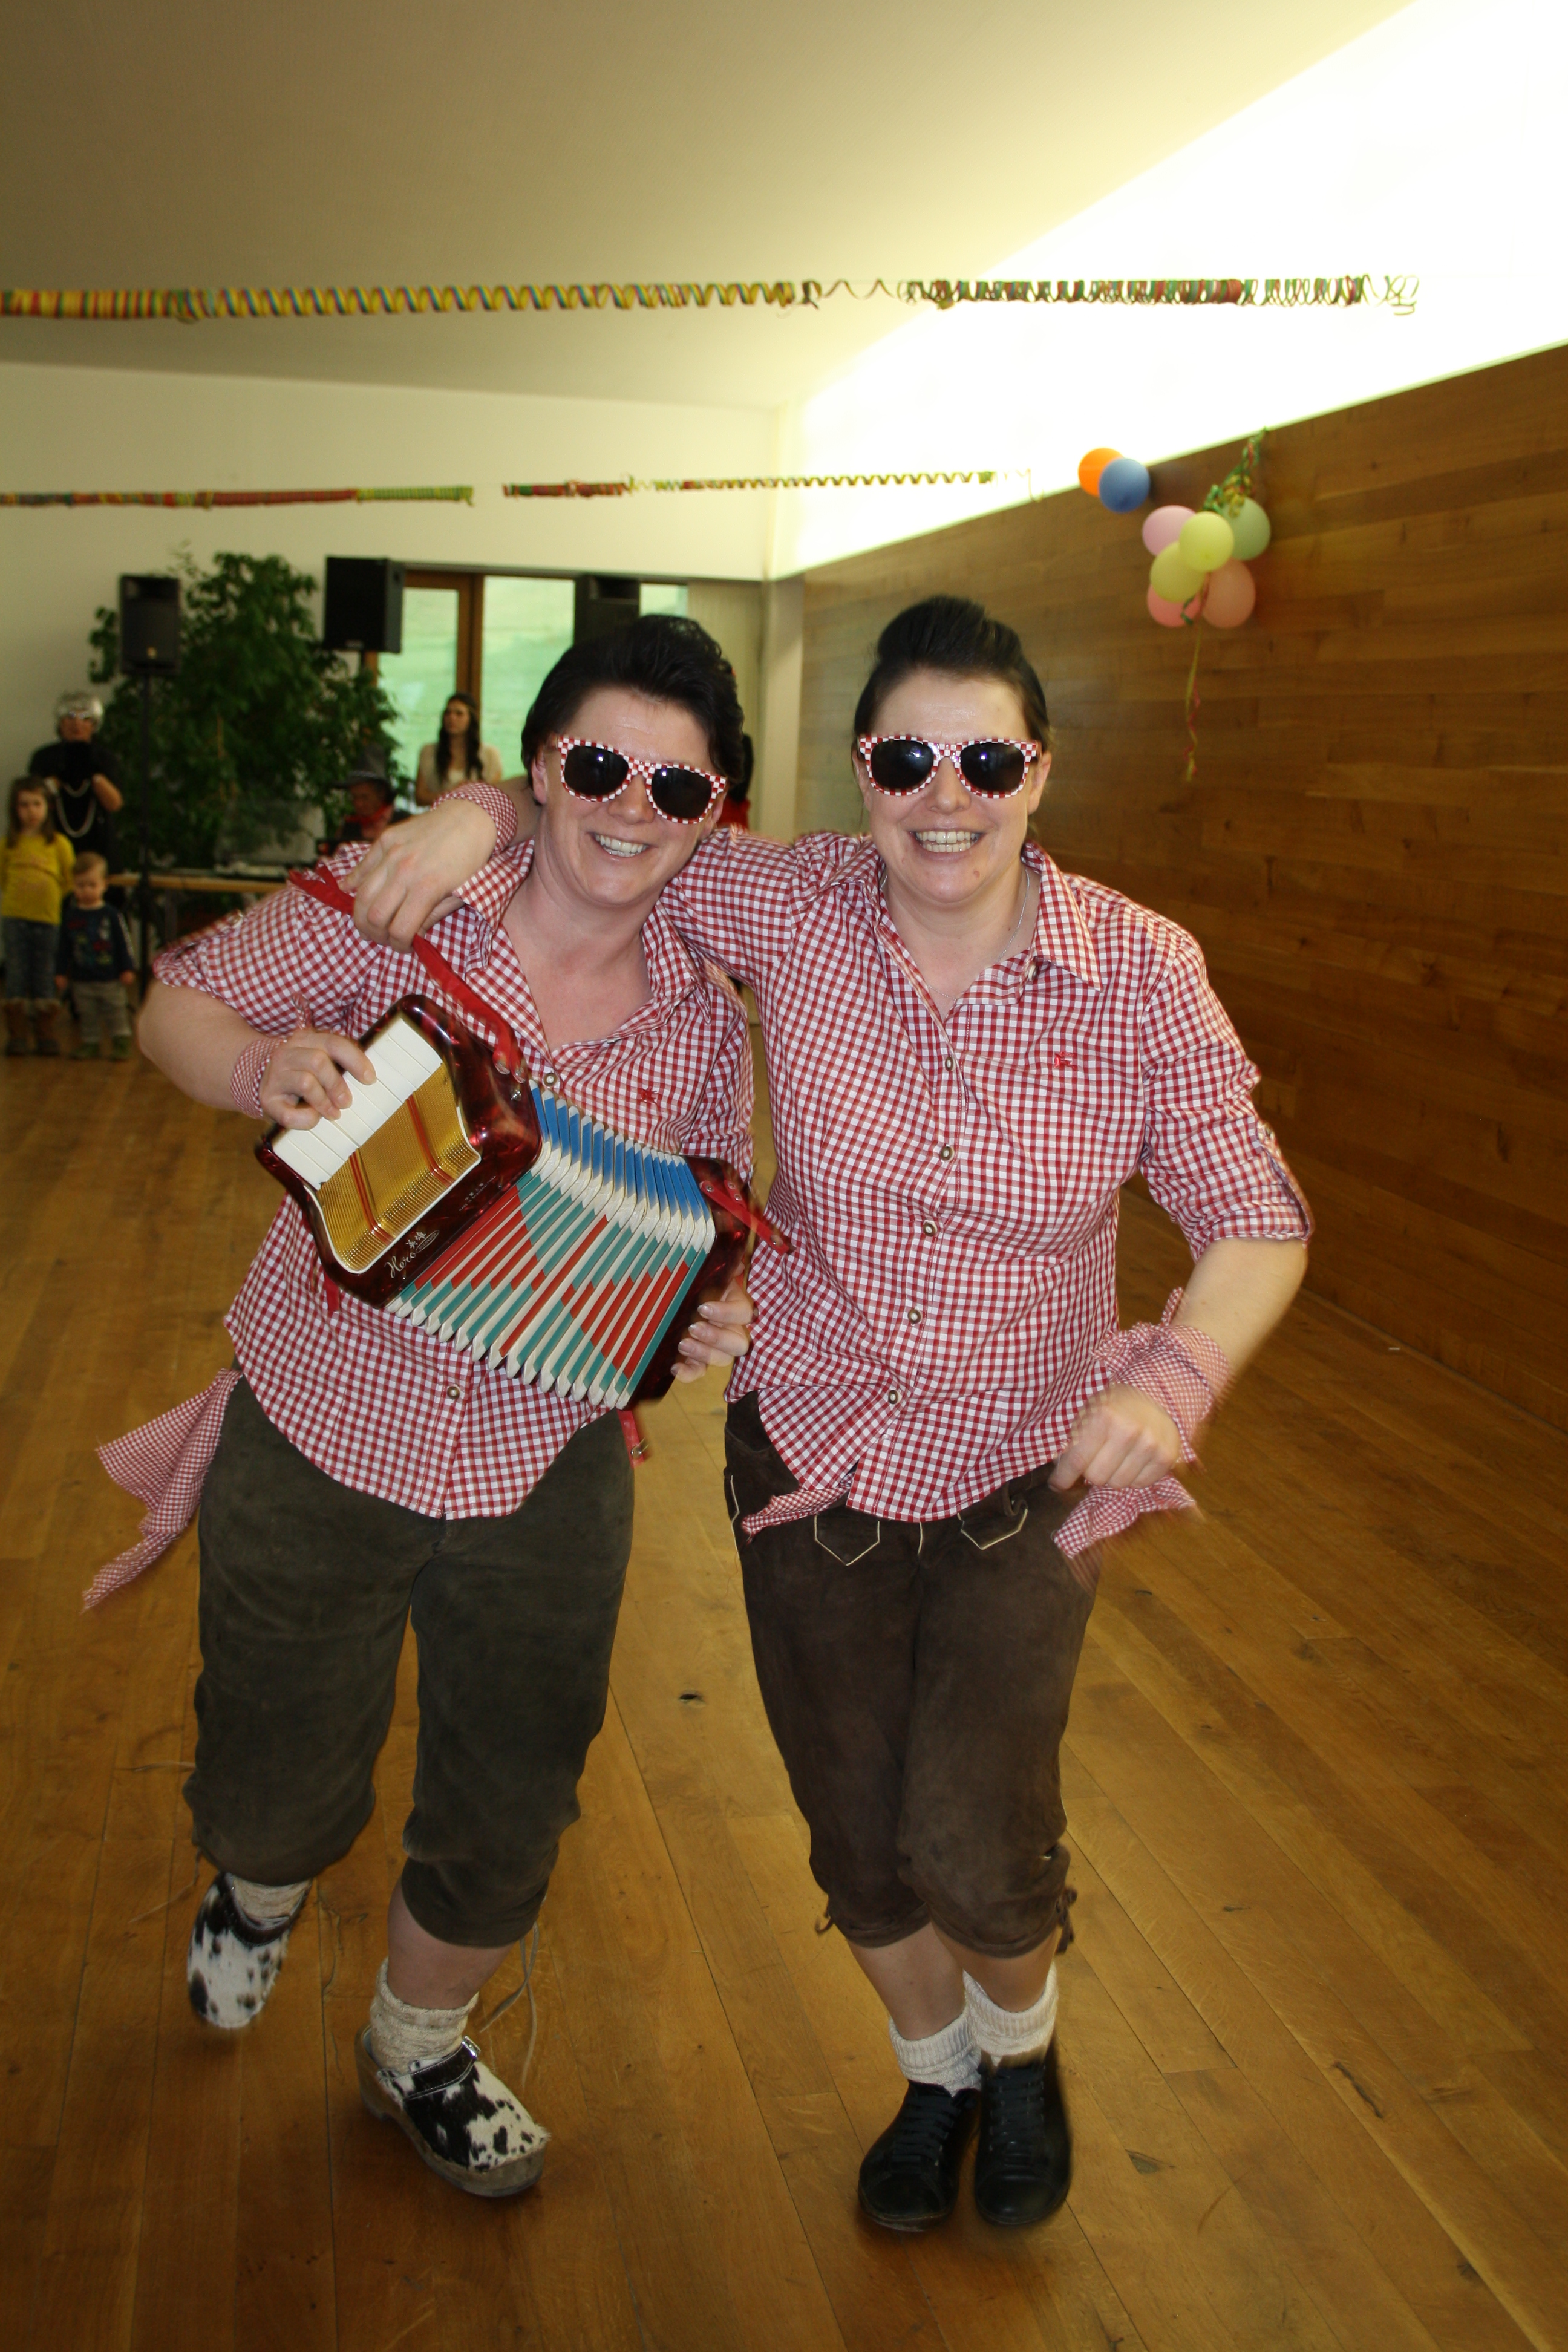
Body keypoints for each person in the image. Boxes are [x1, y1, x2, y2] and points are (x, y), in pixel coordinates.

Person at [350, 595, 1312, 2237]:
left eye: (986, 761)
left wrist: (1174, 1379)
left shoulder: (1139, 971)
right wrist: (476, 808)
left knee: (976, 1837)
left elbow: (1258, 1219)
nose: (947, 795)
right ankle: (936, 2074)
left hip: (1028, 1458)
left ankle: (1022, 2051)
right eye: (908, 758)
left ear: (1038, 772)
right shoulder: (787, 900)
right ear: (861, 768)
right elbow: (616, 812)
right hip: (810, 1446)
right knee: (857, 1837)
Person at [116, 615, 757, 2200]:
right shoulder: (403, 899)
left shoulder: (705, 1018)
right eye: (596, 767)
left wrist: (698, 1314)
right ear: (538, 768)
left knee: (518, 1778)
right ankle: (258, 1886)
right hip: (322, 1417)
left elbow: (701, 1228)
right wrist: (262, 1067)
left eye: (676, 788)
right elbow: (176, 1001)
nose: (630, 809)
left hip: (551, 1455)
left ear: (715, 813)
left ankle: (420, 2043)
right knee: (274, 1760)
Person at [4, 776, 75, 1055]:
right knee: (16, 972)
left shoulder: (58, 844)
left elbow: (69, 880)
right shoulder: (8, 845)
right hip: (14, 918)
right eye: (24, 805)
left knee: (44, 972)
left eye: (37, 804)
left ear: (48, 807)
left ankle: (45, 1032)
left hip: (47, 919)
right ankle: (18, 1034)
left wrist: (49, 897)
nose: (31, 811)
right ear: (15, 809)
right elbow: (3, 879)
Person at [28, 690, 125, 875]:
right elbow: (31, 802)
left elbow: (115, 804)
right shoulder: (44, 758)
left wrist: (94, 775)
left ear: (95, 724)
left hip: (99, 844)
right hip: (53, 843)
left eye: (85, 718)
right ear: (60, 722)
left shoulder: (105, 758)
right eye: (70, 717)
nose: (77, 724)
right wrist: (56, 781)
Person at [56, 851, 136, 1059]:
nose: (86, 891)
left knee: (116, 1010)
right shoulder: (71, 917)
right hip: (81, 978)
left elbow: (123, 943)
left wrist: (127, 967)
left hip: (110, 977)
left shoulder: (111, 915)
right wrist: (61, 972)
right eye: (80, 885)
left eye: (92, 885)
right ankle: (90, 1042)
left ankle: (121, 1042)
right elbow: (63, 947)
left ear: (104, 885)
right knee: (87, 1013)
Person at [413, 691, 504, 805]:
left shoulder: (490, 754)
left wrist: (470, 792)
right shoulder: (429, 752)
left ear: (471, 718)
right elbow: (420, 797)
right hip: (439, 813)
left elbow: (495, 798)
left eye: (459, 714)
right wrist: (452, 794)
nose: (452, 718)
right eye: (448, 713)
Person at [328, 765, 398, 850]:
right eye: (354, 797)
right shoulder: (349, 828)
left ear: (381, 794)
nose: (359, 804)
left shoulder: (404, 822)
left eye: (364, 797)